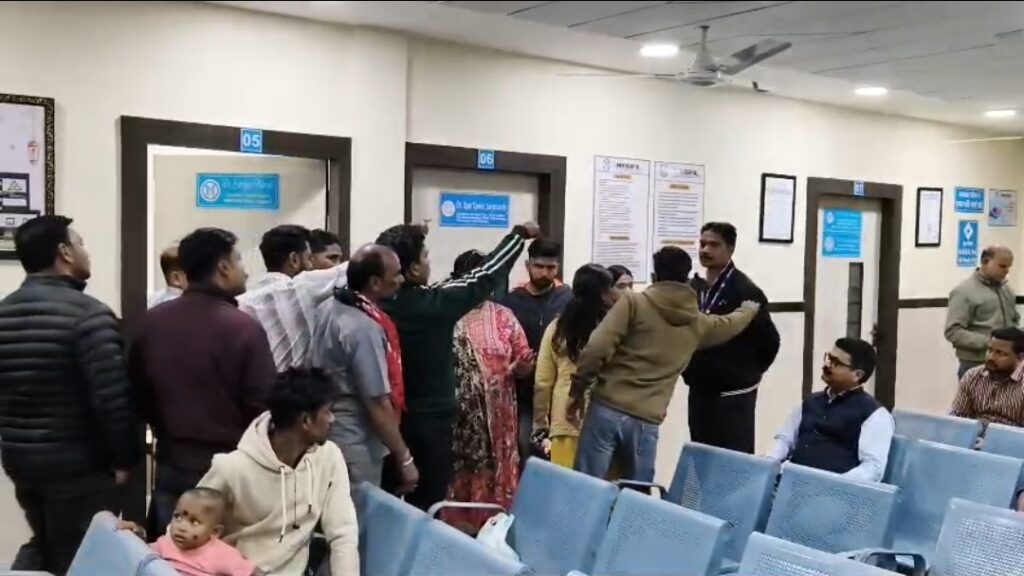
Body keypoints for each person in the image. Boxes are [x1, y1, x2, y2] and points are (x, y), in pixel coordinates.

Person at [0, 215, 138, 574]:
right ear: (64, 252)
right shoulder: (89, 316)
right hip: (79, 466)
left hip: (21, 460)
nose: (85, 252)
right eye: (80, 244)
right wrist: (124, 461)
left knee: (45, 543)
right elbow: (112, 400)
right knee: (81, 556)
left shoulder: (4, 313)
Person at [375, 220, 538, 510]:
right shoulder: (432, 304)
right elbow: (485, 275)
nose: (429, 263)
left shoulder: (371, 303)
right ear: (412, 270)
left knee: (386, 506)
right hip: (430, 424)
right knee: (427, 506)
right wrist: (518, 236)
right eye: (425, 257)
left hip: (383, 423)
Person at [129, 227, 277, 540]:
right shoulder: (244, 329)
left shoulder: (151, 323)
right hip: (231, 466)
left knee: (170, 551)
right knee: (223, 554)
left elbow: (138, 396)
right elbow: (262, 408)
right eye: (238, 260)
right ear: (223, 267)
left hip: (172, 459)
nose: (244, 270)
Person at [568, 246, 760, 482]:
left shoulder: (632, 304)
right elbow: (729, 324)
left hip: (606, 408)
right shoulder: (697, 323)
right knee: (637, 491)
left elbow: (596, 349)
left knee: (586, 486)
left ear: (654, 275)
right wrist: (748, 310)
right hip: (647, 419)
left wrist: (577, 391)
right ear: (687, 278)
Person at [199, 368, 358, 576]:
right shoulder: (231, 468)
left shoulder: (329, 458)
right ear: (306, 421)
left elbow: (343, 533)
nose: (332, 419)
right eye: (327, 411)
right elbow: (189, 523)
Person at [313, 244, 418, 491]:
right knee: (357, 511)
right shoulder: (363, 328)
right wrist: (404, 458)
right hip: (354, 441)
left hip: (328, 432)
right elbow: (377, 402)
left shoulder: (329, 306)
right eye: (396, 274)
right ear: (375, 283)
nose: (402, 280)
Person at [444, 250, 534, 533]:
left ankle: (494, 530)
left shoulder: (504, 316)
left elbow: (523, 361)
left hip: (499, 416)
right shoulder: (445, 313)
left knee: (497, 468)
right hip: (458, 416)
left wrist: (521, 368)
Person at [684, 222, 780, 454]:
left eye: (714, 245)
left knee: (733, 458)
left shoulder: (745, 290)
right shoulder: (694, 288)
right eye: (702, 244)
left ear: (730, 249)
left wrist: (745, 373)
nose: (705, 250)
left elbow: (769, 341)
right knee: (701, 453)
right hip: (700, 388)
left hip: (734, 393)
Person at [767, 338, 893, 482]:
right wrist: (767, 464)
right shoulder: (810, 401)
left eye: (836, 363)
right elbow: (785, 440)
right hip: (788, 481)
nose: (827, 365)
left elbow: (872, 469)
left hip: (832, 491)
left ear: (857, 375)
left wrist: (832, 486)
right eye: (829, 358)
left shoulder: (875, 415)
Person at [534, 264, 616, 468]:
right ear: (602, 293)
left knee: (567, 485)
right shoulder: (613, 329)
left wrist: (540, 423)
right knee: (604, 485)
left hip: (565, 421)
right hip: (606, 421)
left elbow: (543, 382)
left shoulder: (557, 328)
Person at [500, 239, 573, 462]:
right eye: (539, 266)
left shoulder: (568, 299)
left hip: (559, 393)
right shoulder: (512, 301)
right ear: (527, 265)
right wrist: (514, 368)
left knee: (558, 455)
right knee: (526, 448)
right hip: (524, 392)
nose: (544, 273)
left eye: (550, 268)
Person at [240, 225, 349, 371]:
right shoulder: (300, 289)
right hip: (289, 382)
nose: (311, 265)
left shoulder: (244, 299)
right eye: (309, 258)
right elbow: (349, 270)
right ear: (294, 260)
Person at [123, 488, 264, 576]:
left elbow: (253, 572)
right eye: (177, 516)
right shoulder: (166, 543)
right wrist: (137, 532)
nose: (181, 527)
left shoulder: (222, 554)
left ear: (214, 532)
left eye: (194, 522)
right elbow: (142, 554)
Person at [946, 245, 1019, 379]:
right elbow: (953, 331)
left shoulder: (1007, 291)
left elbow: (1013, 321)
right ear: (985, 262)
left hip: (1007, 365)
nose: (1007, 271)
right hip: (976, 364)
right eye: (1002, 266)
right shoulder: (964, 292)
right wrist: (991, 344)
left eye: (1009, 267)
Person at [951, 327, 1024, 428]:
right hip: (975, 435)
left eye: (1000, 353)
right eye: (989, 350)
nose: (991, 357)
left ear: (1020, 357)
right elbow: (957, 419)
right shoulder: (973, 376)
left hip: (1012, 436)